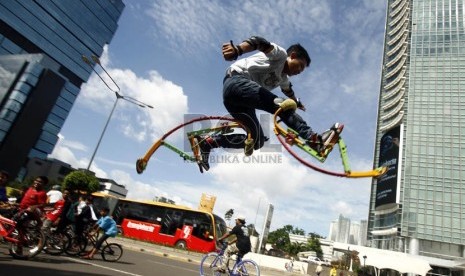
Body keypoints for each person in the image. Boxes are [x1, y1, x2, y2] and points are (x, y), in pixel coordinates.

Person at [194, 36, 343, 171]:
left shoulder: (283, 79)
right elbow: (260, 42)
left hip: (238, 103)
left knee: (257, 140)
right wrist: (238, 50)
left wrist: (298, 102)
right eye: (300, 66)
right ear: (292, 56)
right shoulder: (280, 55)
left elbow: (288, 90)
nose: (300, 71)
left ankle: (210, 142)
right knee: (282, 107)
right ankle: (314, 140)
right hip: (236, 82)